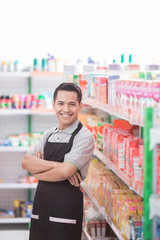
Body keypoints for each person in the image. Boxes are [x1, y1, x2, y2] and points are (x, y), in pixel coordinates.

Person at [22, 82, 95, 240]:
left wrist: (39, 172)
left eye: (72, 104)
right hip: (41, 206)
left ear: (80, 106)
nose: (66, 109)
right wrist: (58, 166)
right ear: (54, 105)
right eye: (61, 103)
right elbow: (26, 162)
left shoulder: (84, 136)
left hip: (66, 209)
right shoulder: (48, 134)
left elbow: (66, 172)